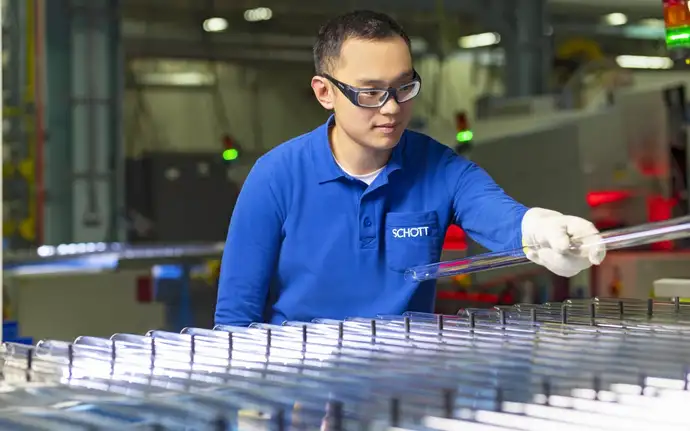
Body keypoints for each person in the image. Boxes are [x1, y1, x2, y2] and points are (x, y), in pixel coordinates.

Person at [214, 10, 606, 327]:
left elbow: (498, 215)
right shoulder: (274, 177)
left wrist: (540, 230)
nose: (391, 107)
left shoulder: (440, 168)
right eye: (370, 92)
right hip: (300, 387)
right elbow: (235, 315)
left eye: (404, 87)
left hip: (401, 386)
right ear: (325, 92)